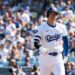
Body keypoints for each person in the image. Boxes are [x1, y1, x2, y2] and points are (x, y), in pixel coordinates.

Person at [32, 6, 68, 75]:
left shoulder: (62, 27)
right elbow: (35, 42)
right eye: (51, 13)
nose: (53, 15)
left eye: (55, 14)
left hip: (58, 57)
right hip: (45, 57)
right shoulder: (41, 28)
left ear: (57, 16)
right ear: (48, 15)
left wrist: (66, 55)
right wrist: (40, 48)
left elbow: (66, 41)